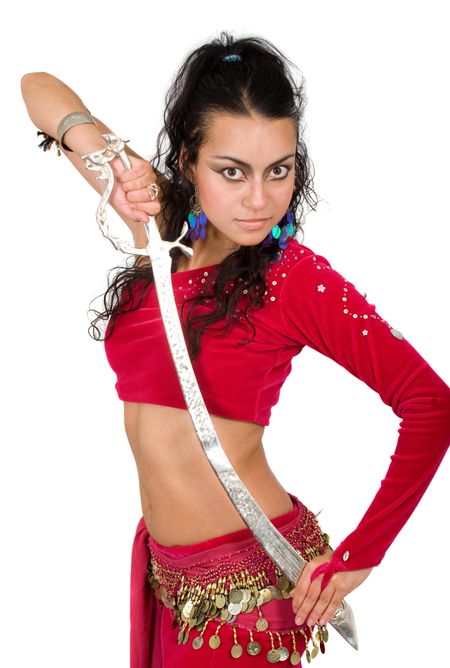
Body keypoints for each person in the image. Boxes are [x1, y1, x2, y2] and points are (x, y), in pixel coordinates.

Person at [21, 31, 450, 667]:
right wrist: (107, 162)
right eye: (232, 171)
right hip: (171, 581)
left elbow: (431, 404)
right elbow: (36, 87)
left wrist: (362, 553)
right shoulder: (161, 220)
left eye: (278, 169)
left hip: (248, 586)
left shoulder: (293, 277)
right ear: (189, 160)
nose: (258, 199)